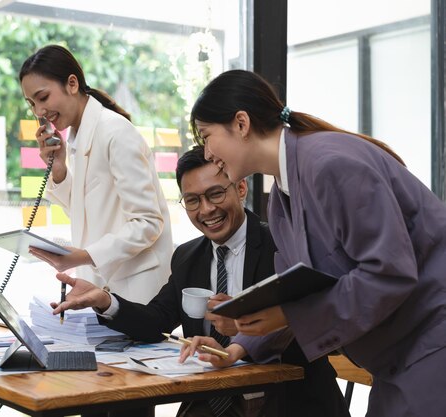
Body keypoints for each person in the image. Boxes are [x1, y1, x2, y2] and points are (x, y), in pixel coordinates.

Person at [183, 69, 446, 417]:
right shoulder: (280, 198)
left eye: (207, 135)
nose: (207, 150)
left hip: (431, 343)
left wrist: (286, 314)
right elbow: (301, 291)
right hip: (399, 358)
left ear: (241, 123)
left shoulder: (330, 164)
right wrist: (236, 349)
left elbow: (389, 273)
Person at [53, 146, 349, 417]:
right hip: (211, 399)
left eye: (215, 194)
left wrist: (243, 322)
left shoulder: (281, 245)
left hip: (288, 399)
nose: (206, 210)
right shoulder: (187, 257)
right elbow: (156, 321)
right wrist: (105, 300)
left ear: (241, 187)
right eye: (193, 200)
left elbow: (305, 320)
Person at [18, 45, 173, 303]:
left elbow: (148, 223)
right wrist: (59, 171)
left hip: (137, 290)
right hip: (103, 288)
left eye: (43, 98)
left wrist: (84, 255)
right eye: (32, 104)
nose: (38, 112)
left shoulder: (115, 132)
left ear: (72, 83)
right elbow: (87, 212)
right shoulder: (79, 139)